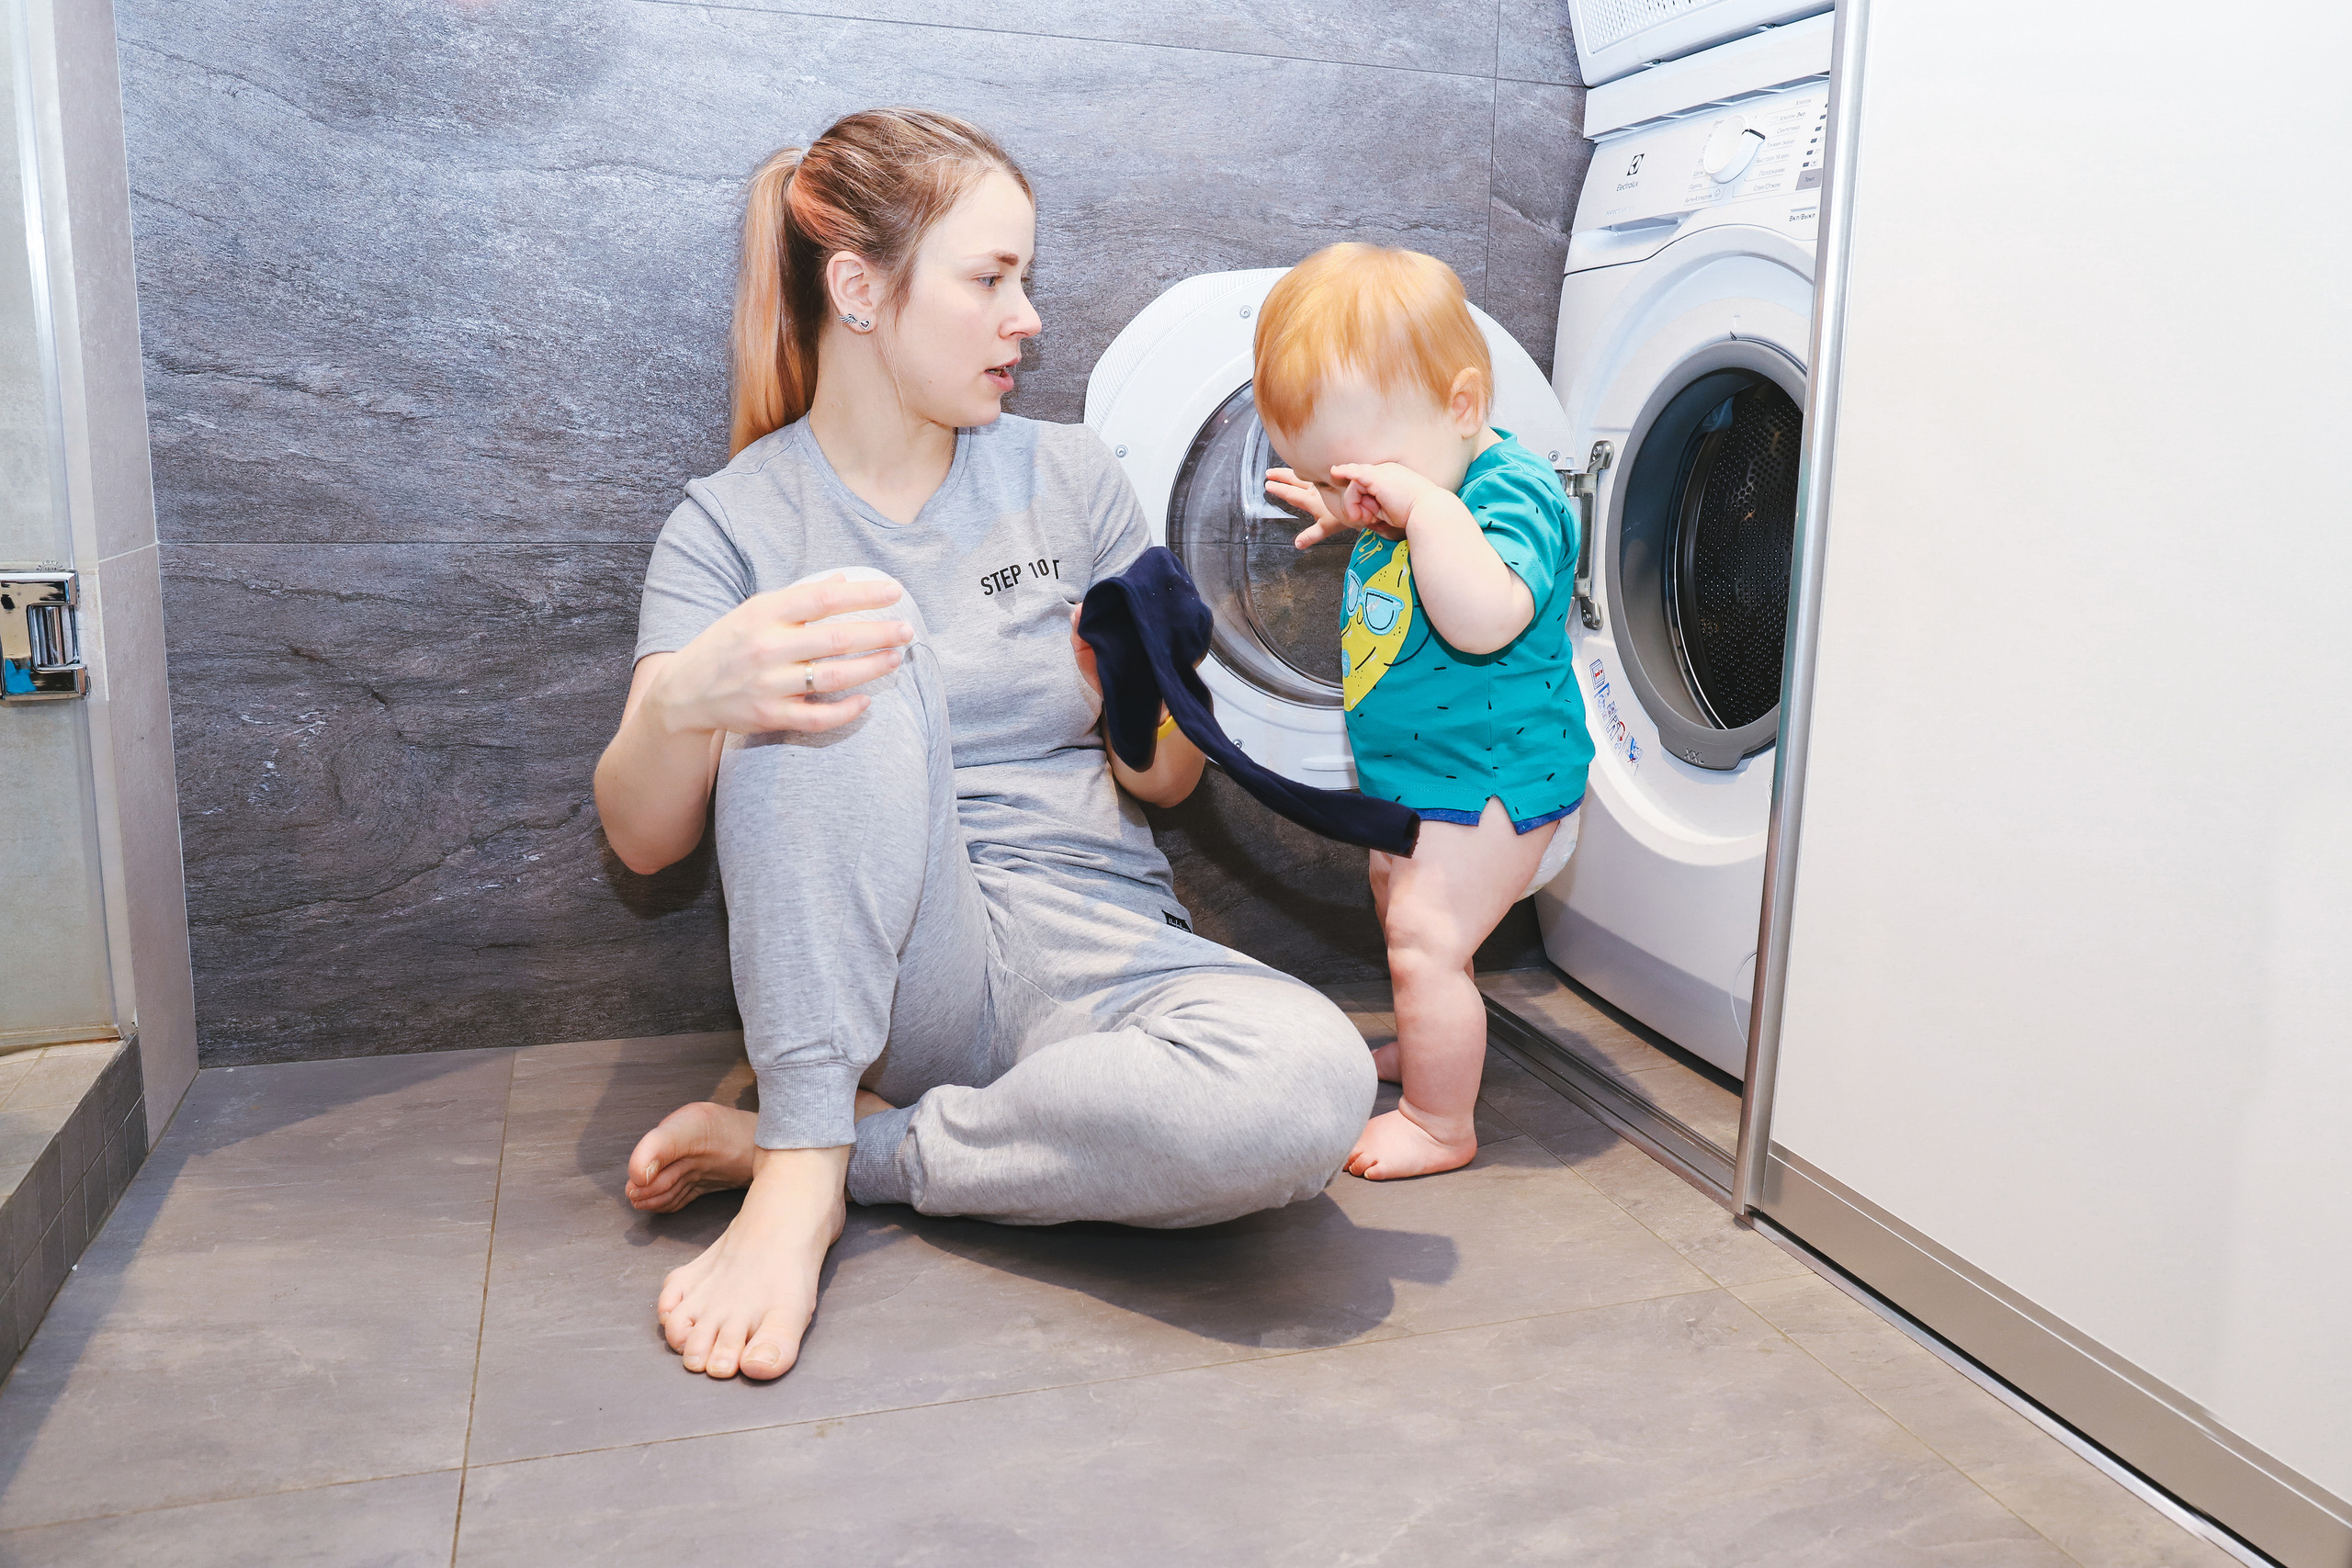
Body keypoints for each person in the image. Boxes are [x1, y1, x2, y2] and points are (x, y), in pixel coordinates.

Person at [592, 109, 1374, 1382]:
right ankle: (802, 1159)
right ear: (860, 290)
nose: (1028, 318)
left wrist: (1135, 690)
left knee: (1308, 1083)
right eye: (991, 279)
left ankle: (843, 1152)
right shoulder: (730, 525)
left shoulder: (1074, 478)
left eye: (1026, 279)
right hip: (903, 970)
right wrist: (688, 698)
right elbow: (641, 840)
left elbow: (1166, 780)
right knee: (848, 626)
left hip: (1095, 943)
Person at [1258, 244, 1593, 1180]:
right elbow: (1408, 514)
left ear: (1462, 407)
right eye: (1332, 478)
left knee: (1426, 939)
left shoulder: (1514, 494)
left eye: (1368, 474)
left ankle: (1440, 1121)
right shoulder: (1423, 475)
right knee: (1402, 912)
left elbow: (1486, 616)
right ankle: (1432, 1029)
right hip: (1424, 774)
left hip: (1497, 778)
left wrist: (1423, 513)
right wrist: (1357, 509)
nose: (1358, 497)